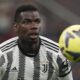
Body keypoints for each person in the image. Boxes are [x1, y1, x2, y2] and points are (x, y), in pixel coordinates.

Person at [0, 4, 73, 80]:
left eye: (37, 21)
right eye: (27, 22)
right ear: (16, 27)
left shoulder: (58, 54)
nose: (34, 26)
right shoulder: (2, 55)